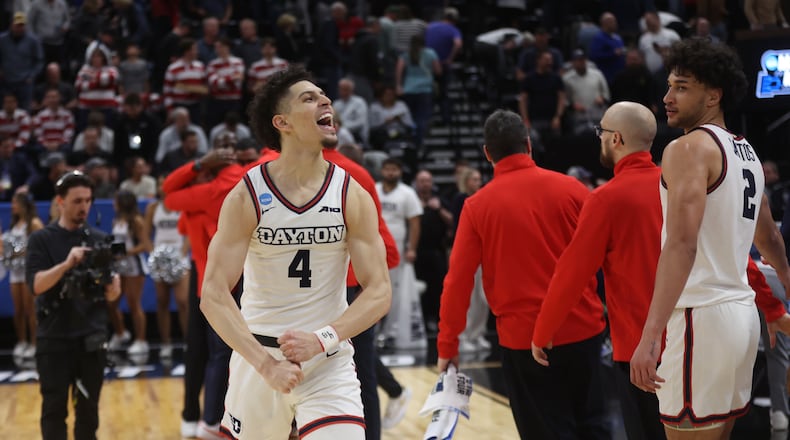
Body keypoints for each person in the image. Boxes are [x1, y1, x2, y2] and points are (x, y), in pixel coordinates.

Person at [200, 66, 391, 439]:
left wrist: (323, 338)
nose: (326, 101)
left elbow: (380, 291)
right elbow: (213, 294)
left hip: (327, 361)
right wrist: (265, 365)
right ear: (282, 122)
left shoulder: (351, 193)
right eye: (310, 98)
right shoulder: (247, 195)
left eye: (324, 95)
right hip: (258, 361)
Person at [630, 38, 790, 436]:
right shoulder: (746, 152)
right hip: (740, 316)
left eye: (682, 87)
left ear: (713, 95)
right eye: (669, 85)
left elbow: (681, 245)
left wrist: (650, 336)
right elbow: (770, 239)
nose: (668, 96)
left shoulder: (688, 149)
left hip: (700, 318)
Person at [437, 109, 609, 440]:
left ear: (487, 153)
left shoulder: (477, 206)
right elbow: (606, 258)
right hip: (583, 330)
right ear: (529, 145)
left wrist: (448, 343)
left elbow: (457, 281)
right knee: (594, 426)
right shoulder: (573, 189)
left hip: (522, 339)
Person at [531, 101, 665, 439]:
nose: (599, 138)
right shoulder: (679, 184)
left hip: (639, 351)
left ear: (616, 139)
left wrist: (543, 331)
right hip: (692, 339)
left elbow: (572, 272)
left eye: (601, 132)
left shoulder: (607, 199)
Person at [25, 171, 121, 440]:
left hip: (91, 338)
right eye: (77, 201)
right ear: (60, 202)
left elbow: (111, 296)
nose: (84, 207)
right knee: (54, 411)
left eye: (88, 200)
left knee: (88, 413)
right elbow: (36, 285)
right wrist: (67, 265)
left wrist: (114, 288)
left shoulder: (100, 239)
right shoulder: (41, 239)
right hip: (54, 339)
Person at [143, 179, 190, 359]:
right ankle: (166, 343)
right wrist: (153, 254)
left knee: (183, 301)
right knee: (162, 301)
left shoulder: (183, 205)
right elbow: (145, 235)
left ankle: (188, 341)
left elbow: (188, 233)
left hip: (179, 257)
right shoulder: (153, 208)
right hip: (161, 259)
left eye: (165, 183)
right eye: (159, 184)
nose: (162, 187)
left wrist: (182, 255)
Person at [107, 190, 152, 355]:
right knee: (111, 303)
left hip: (135, 266)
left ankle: (141, 340)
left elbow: (145, 245)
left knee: (134, 304)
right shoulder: (116, 220)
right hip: (119, 267)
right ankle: (120, 333)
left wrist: (126, 252)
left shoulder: (137, 220)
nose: (114, 203)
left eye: (116, 200)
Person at [4, 192, 45, 359]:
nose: (12, 206)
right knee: (18, 310)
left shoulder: (34, 223)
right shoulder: (15, 223)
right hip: (15, 271)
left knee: (30, 310)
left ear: (23, 204)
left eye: (15, 202)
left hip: (29, 270)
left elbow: (43, 242)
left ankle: (35, 343)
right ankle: (22, 341)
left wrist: (22, 252)